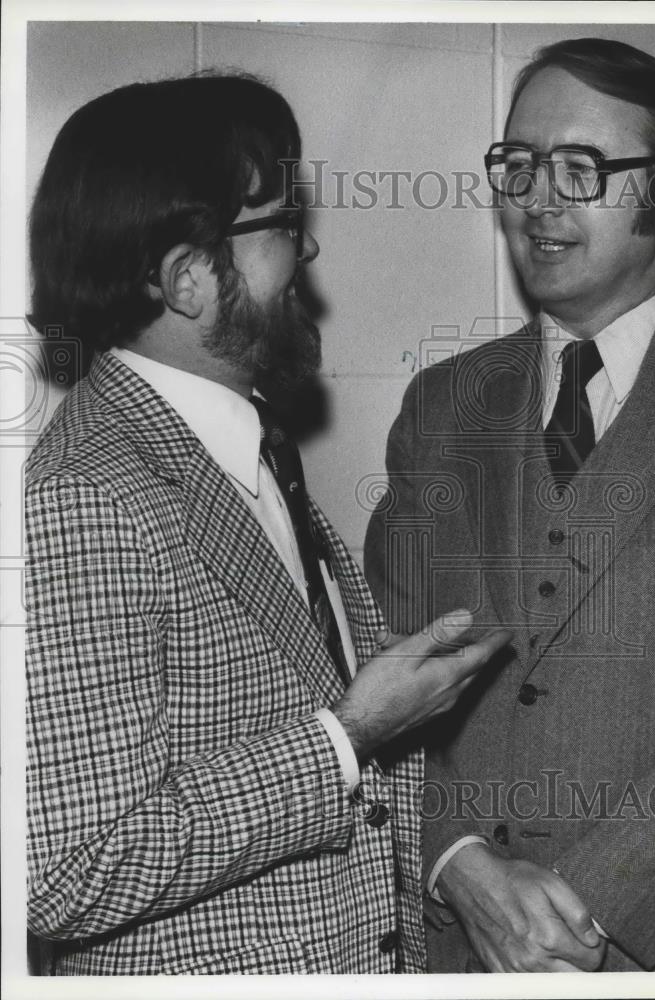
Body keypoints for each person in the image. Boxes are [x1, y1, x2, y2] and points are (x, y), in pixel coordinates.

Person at [24, 73, 511, 976]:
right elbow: (66, 867)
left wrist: (462, 867)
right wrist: (347, 737)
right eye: (283, 226)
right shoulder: (88, 492)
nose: (307, 252)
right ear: (187, 279)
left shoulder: (243, 453)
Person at [365, 37, 655, 973]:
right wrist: (457, 861)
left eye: (582, 169)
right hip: (457, 950)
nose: (538, 198)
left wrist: (579, 911)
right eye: (519, 164)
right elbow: (378, 670)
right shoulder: (441, 404)